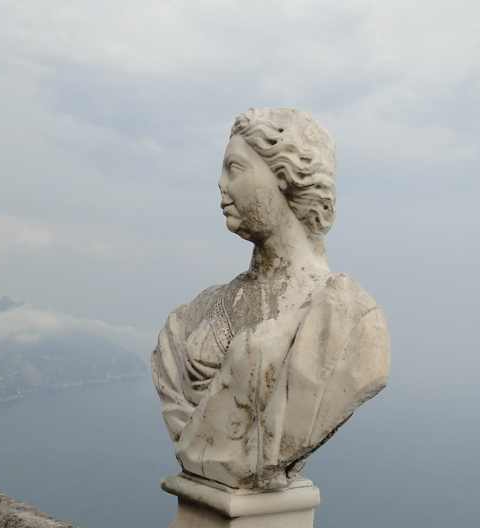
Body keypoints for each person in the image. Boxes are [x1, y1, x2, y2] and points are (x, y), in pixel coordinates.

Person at [151, 107, 390, 491]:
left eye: (235, 168)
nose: (219, 183)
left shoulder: (348, 319)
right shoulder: (191, 317)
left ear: (287, 178)